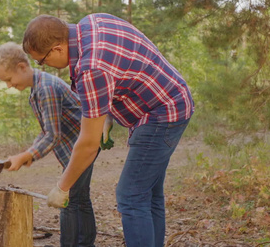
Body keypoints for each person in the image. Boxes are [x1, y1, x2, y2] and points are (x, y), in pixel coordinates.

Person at [22, 13, 194, 247]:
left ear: (57, 49)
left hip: (162, 113)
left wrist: (63, 187)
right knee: (148, 193)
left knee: (131, 196)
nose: (44, 66)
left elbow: (88, 144)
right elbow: (126, 65)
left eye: (42, 60)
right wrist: (108, 115)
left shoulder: (90, 68)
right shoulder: (91, 23)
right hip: (171, 96)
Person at [0, 42, 100, 247]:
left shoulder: (46, 88)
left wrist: (27, 155)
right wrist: (29, 154)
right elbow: (47, 131)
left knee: (67, 199)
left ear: (22, 67)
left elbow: (53, 136)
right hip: (74, 150)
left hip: (82, 149)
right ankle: (86, 244)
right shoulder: (37, 88)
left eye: (9, 79)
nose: (9, 85)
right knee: (80, 198)